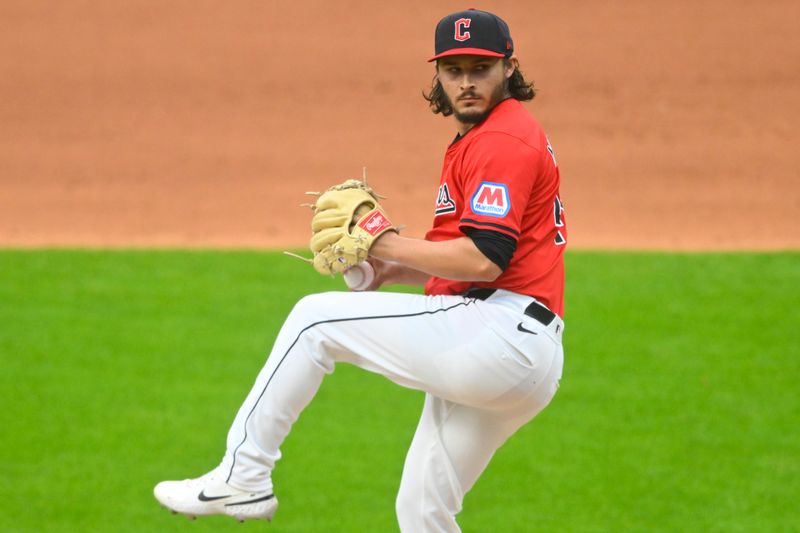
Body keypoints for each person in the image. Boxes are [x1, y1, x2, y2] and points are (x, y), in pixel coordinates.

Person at [154, 8, 567, 532]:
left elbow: (484, 258)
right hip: (520, 349)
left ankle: (245, 476)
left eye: (480, 68)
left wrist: (388, 243)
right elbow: (474, 261)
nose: (465, 82)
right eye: (453, 69)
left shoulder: (501, 140)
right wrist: (387, 269)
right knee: (422, 513)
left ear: (508, 68)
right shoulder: (488, 137)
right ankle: (244, 478)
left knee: (314, 321)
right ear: (438, 74)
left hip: (499, 338)